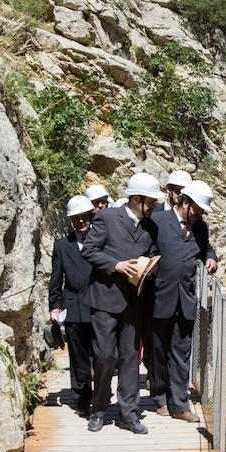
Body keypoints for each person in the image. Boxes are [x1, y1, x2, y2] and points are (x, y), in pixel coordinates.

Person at [81, 173, 161, 434]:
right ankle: (99, 408)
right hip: (105, 299)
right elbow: (89, 250)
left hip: (133, 302)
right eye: (150, 202)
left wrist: (148, 266)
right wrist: (115, 265)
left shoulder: (151, 227)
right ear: (136, 199)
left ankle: (129, 414)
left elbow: (150, 253)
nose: (154, 207)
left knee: (130, 359)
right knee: (105, 356)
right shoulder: (106, 217)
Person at [150, 180, 218, 423]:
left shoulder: (201, 228)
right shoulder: (159, 222)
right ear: (185, 202)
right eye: (197, 210)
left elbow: (207, 249)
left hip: (185, 300)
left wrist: (211, 259)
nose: (199, 216)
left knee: (181, 353)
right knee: (157, 351)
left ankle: (179, 405)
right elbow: (146, 250)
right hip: (159, 298)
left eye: (202, 213)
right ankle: (159, 398)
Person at [49, 195, 95, 417]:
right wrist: (55, 306)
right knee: (78, 356)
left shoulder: (100, 241)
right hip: (74, 306)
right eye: (76, 218)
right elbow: (56, 278)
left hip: (98, 305)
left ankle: (100, 394)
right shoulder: (62, 246)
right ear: (71, 220)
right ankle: (82, 400)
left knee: (102, 355)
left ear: (90, 217)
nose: (81, 221)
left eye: (84, 217)